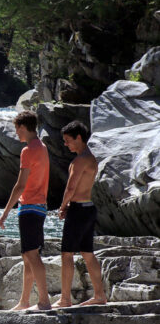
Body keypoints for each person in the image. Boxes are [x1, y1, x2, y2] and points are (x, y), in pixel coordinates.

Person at [0, 111, 52, 310]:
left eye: (16, 129)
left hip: (29, 206)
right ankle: (24, 301)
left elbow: (20, 185)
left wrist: (4, 213)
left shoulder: (28, 150)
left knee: (31, 254)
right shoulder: (43, 147)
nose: (16, 133)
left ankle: (44, 301)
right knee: (28, 256)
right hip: (40, 206)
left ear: (22, 126)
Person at [53, 120, 107, 307]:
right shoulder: (91, 158)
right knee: (88, 253)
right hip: (89, 207)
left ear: (79, 137)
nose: (66, 144)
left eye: (68, 140)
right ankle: (99, 296)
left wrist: (62, 206)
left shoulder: (79, 160)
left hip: (78, 210)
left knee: (66, 254)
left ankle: (65, 299)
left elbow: (71, 187)